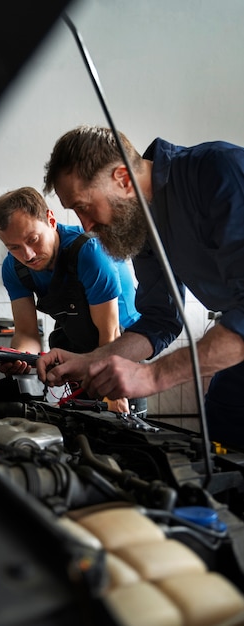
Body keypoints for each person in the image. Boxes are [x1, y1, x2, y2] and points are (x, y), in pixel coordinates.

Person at [37, 124, 244, 446]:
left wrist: (153, 375)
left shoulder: (217, 170)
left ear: (122, 177)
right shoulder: (142, 224)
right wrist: (93, 359)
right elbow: (161, 319)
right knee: (222, 437)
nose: (86, 226)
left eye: (83, 206)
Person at [0, 186, 143, 413]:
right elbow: (27, 333)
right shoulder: (14, 268)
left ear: (50, 220)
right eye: (14, 247)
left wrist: (113, 394)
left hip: (122, 348)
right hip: (76, 349)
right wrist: (21, 358)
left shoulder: (90, 253)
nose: (27, 255)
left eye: (33, 239)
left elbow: (109, 334)